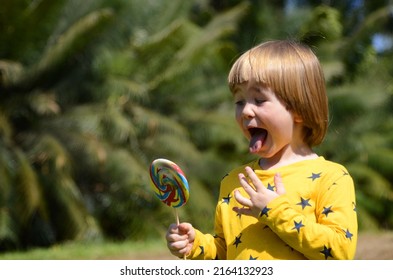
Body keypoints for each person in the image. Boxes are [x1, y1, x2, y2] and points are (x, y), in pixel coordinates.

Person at [166, 40, 358, 260]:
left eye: (259, 100)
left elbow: (340, 252)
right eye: (239, 101)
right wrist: (196, 245)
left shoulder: (331, 177)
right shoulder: (233, 181)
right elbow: (225, 252)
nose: (246, 111)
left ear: (300, 109)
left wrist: (274, 211)